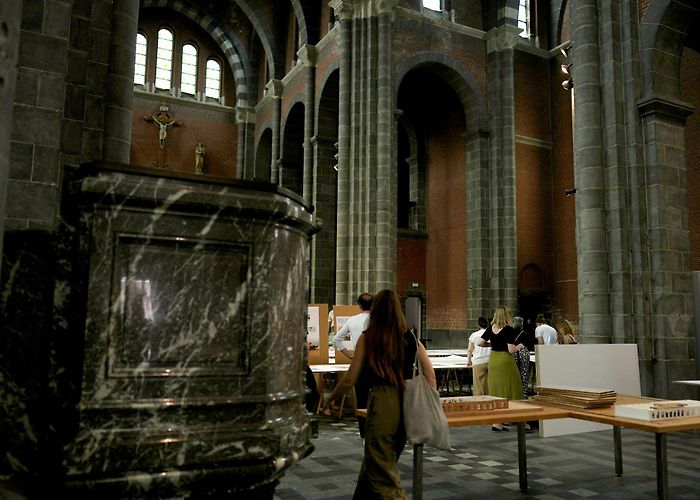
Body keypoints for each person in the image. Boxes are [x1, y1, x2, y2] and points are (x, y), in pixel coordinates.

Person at [322, 289, 436, 499]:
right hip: (408, 402)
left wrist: (330, 399)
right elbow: (430, 375)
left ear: (376, 310)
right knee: (377, 462)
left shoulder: (369, 337)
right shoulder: (411, 337)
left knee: (383, 475)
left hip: (384, 401)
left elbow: (349, 378)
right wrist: (428, 404)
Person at [477, 306, 525, 431]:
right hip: (505, 360)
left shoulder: (490, 328)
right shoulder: (508, 329)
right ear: (506, 316)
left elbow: (479, 342)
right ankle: (518, 420)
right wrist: (520, 345)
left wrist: (492, 344)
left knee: (496, 390)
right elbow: (511, 349)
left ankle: (497, 423)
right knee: (514, 388)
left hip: (494, 360)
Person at [333, 293, 372, 359]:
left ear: (359, 305)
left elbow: (336, 339)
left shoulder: (352, 320)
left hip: (359, 358)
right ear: (373, 305)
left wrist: (350, 356)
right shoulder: (379, 320)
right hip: (376, 360)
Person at [512, 316, 536, 398]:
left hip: (514, 353)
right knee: (524, 373)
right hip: (524, 353)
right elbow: (529, 344)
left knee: (514, 373)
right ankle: (524, 392)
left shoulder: (510, 333)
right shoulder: (525, 334)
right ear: (521, 324)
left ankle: (515, 391)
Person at [466, 317, 490, 396]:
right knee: (489, 383)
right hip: (490, 360)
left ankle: (479, 400)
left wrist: (469, 361)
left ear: (478, 324)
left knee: (478, 384)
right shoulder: (491, 333)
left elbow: (470, 349)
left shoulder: (474, 335)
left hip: (478, 361)